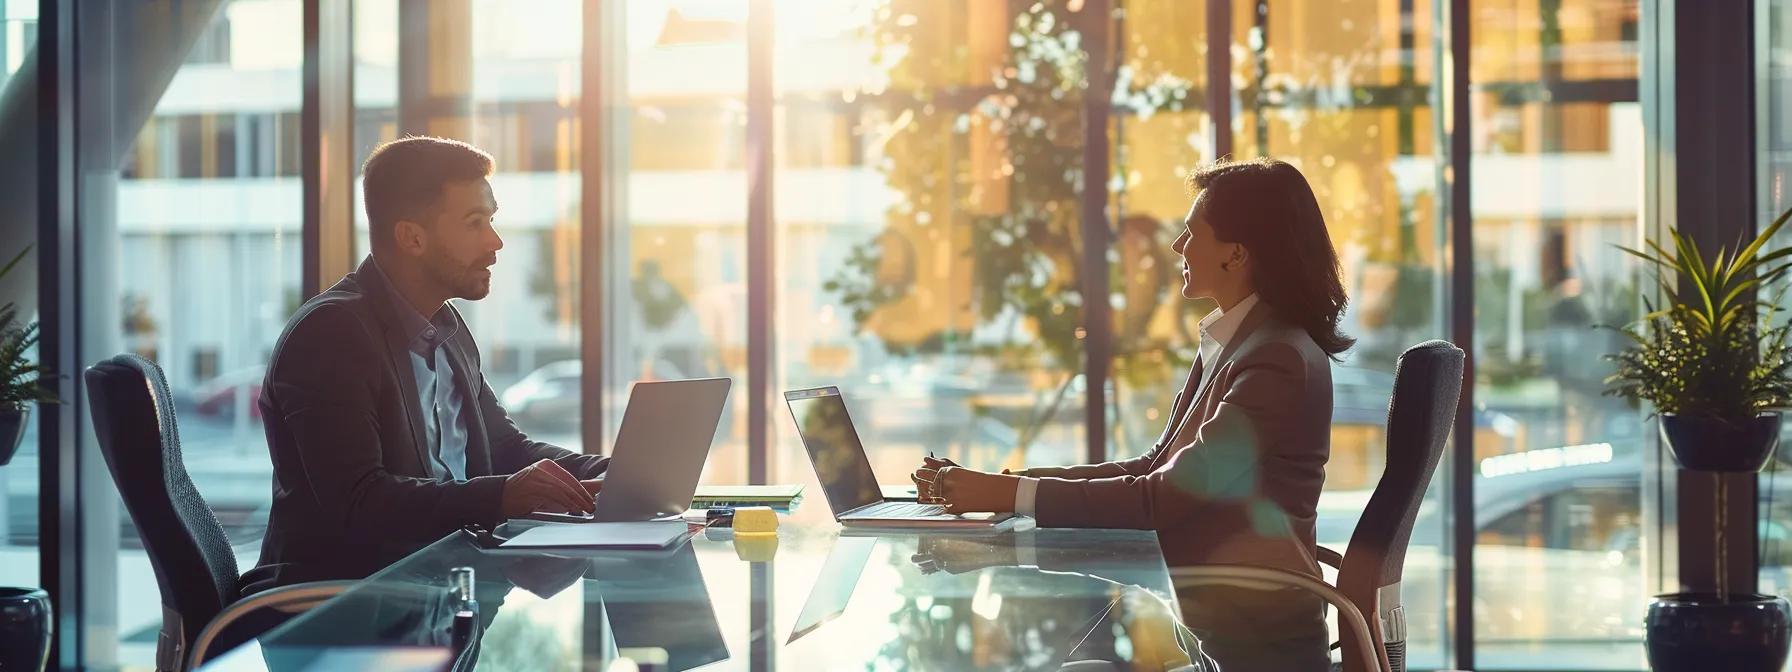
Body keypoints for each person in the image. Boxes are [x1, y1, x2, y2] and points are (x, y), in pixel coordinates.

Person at [912, 158, 1349, 670]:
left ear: (1236, 254)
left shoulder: (1276, 360)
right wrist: (1001, 484)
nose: (1177, 247)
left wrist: (1006, 494)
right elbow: (1154, 466)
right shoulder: (1246, 343)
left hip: (1254, 650)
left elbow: (1165, 496)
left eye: (1191, 233)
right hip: (1225, 635)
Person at [254, 137, 607, 587]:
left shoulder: (446, 328)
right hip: (342, 610)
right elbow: (360, 503)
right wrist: (500, 497)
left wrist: (607, 471)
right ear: (412, 237)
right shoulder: (331, 334)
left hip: (440, 588)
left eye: (491, 221)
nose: (495, 242)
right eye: (475, 223)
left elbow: (506, 451)